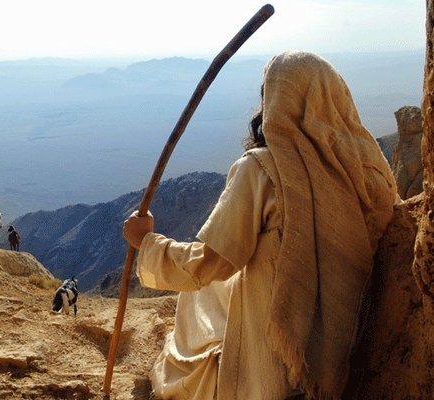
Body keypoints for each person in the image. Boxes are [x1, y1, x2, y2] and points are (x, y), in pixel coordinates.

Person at [123, 51, 397, 400]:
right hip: (350, 328)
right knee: (212, 296)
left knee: (197, 300)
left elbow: (209, 265)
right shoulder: (369, 166)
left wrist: (147, 243)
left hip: (281, 349)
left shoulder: (261, 170)